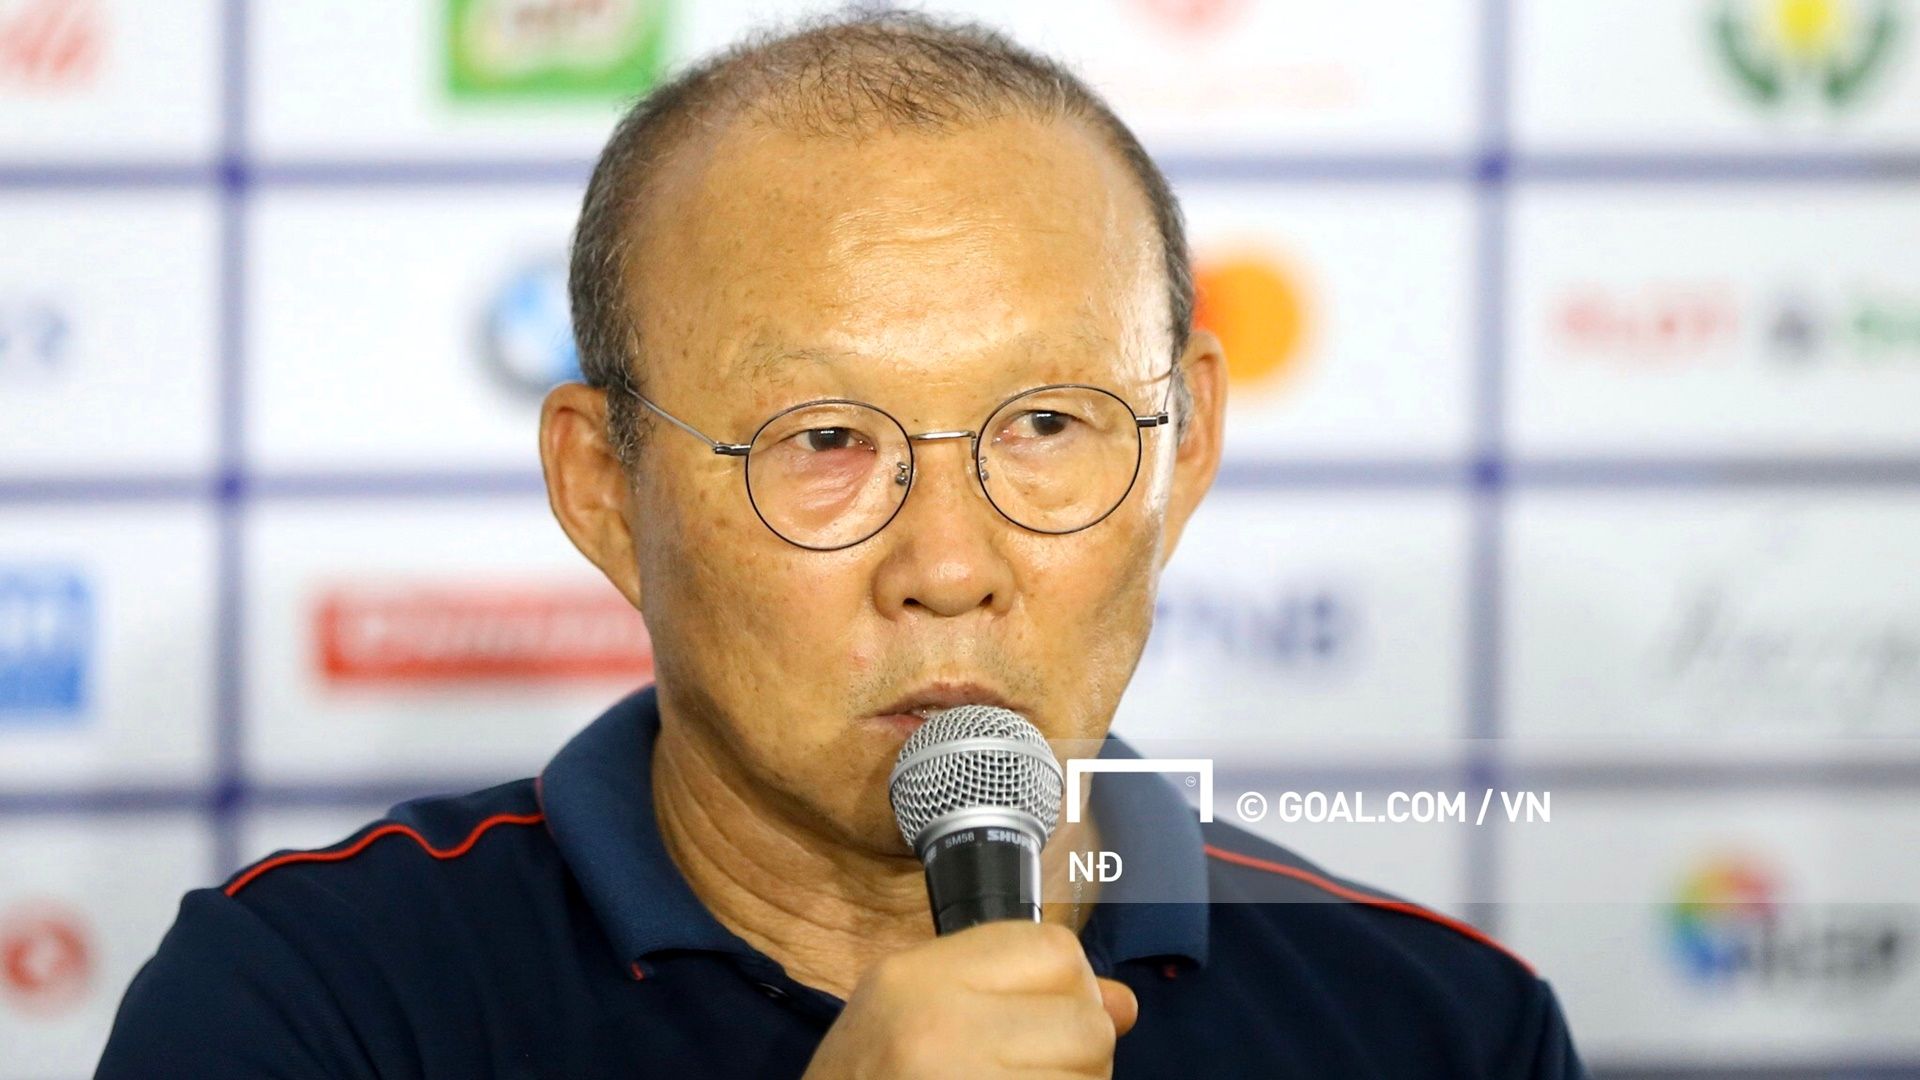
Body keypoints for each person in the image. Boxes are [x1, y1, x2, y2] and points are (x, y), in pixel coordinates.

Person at [97, 12, 1586, 1078]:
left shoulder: (1443, 1029)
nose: (949, 562)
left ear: (1184, 446)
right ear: (605, 491)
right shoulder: (312, 1009)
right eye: (825, 443)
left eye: (1048, 428)